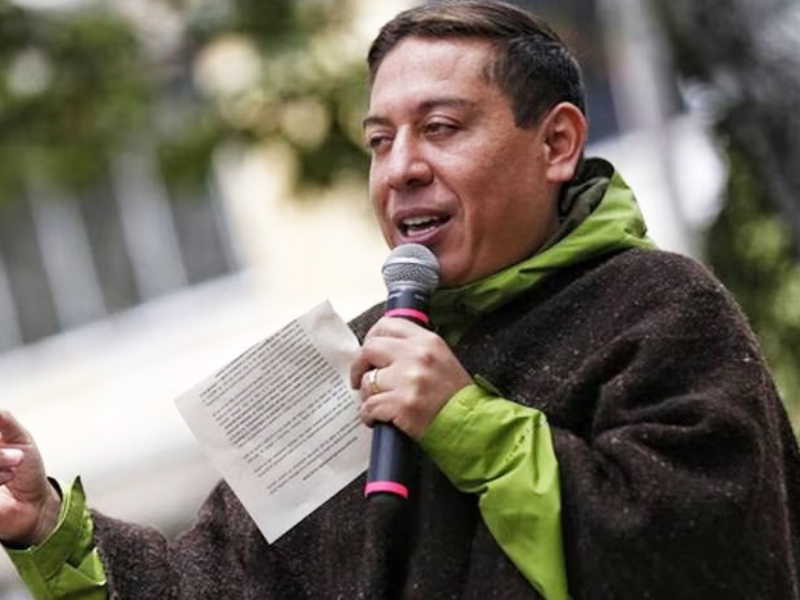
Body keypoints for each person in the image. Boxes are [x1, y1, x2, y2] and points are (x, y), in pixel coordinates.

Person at [1, 1, 799, 598]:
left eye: (441, 127)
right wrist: (46, 527)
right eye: (380, 141)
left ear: (557, 143)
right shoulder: (337, 361)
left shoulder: (661, 307)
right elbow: (212, 584)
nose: (401, 169)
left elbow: (698, 561)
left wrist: (465, 424)